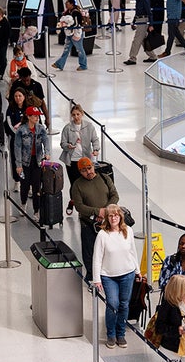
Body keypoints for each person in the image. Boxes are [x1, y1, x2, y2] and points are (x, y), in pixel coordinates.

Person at [93, 204, 141, 348]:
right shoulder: (102, 235)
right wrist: (97, 279)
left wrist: (137, 270)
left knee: (124, 304)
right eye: (110, 215)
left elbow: (133, 252)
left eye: (116, 215)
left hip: (127, 273)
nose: (114, 218)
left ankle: (121, 334)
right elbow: (97, 258)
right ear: (107, 218)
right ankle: (111, 334)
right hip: (108, 276)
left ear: (120, 216)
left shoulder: (128, 231)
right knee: (112, 304)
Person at [71, 157, 120, 283]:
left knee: (110, 248)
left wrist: (106, 211)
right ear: (80, 172)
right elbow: (79, 206)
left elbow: (115, 195)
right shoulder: (77, 185)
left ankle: (108, 274)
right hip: (89, 224)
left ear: (93, 166)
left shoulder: (104, 178)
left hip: (107, 222)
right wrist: (97, 211)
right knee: (90, 252)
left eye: (89, 168)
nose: (88, 172)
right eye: (84, 171)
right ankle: (92, 277)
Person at [59, 103, 100, 207]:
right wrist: (68, 146)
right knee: (74, 183)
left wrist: (96, 149)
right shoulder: (67, 128)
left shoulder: (89, 126)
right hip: (72, 160)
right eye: (73, 115)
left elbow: (95, 139)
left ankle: (86, 204)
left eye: (78, 114)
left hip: (85, 159)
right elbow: (62, 143)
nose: (76, 117)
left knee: (87, 181)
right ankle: (73, 202)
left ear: (82, 114)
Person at [14, 106, 50, 219]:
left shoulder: (41, 128)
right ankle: (23, 204)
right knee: (24, 186)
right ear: (28, 117)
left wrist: (47, 152)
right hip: (25, 163)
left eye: (37, 116)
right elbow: (17, 147)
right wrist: (18, 165)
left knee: (36, 187)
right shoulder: (21, 130)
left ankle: (36, 210)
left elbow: (46, 140)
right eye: (34, 116)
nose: (37, 118)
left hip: (37, 162)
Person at [123, 0, 159, 65]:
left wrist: (151, 24)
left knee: (137, 39)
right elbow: (137, 12)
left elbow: (149, 12)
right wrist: (134, 21)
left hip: (143, 20)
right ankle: (153, 56)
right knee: (143, 40)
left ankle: (132, 58)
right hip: (139, 20)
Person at [52, 0, 88, 72]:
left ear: (71, 4)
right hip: (69, 33)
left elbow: (76, 23)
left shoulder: (75, 12)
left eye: (67, 3)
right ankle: (59, 64)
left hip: (76, 34)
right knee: (66, 49)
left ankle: (83, 65)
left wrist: (66, 24)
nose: (65, 4)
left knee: (80, 49)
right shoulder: (67, 12)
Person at [5, 87, 27, 192]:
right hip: (15, 140)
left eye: (20, 96)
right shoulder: (11, 109)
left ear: (24, 97)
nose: (18, 98)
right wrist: (18, 134)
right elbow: (9, 124)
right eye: (16, 96)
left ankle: (28, 183)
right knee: (15, 160)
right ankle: (17, 181)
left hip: (28, 140)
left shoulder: (29, 108)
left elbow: (35, 122)